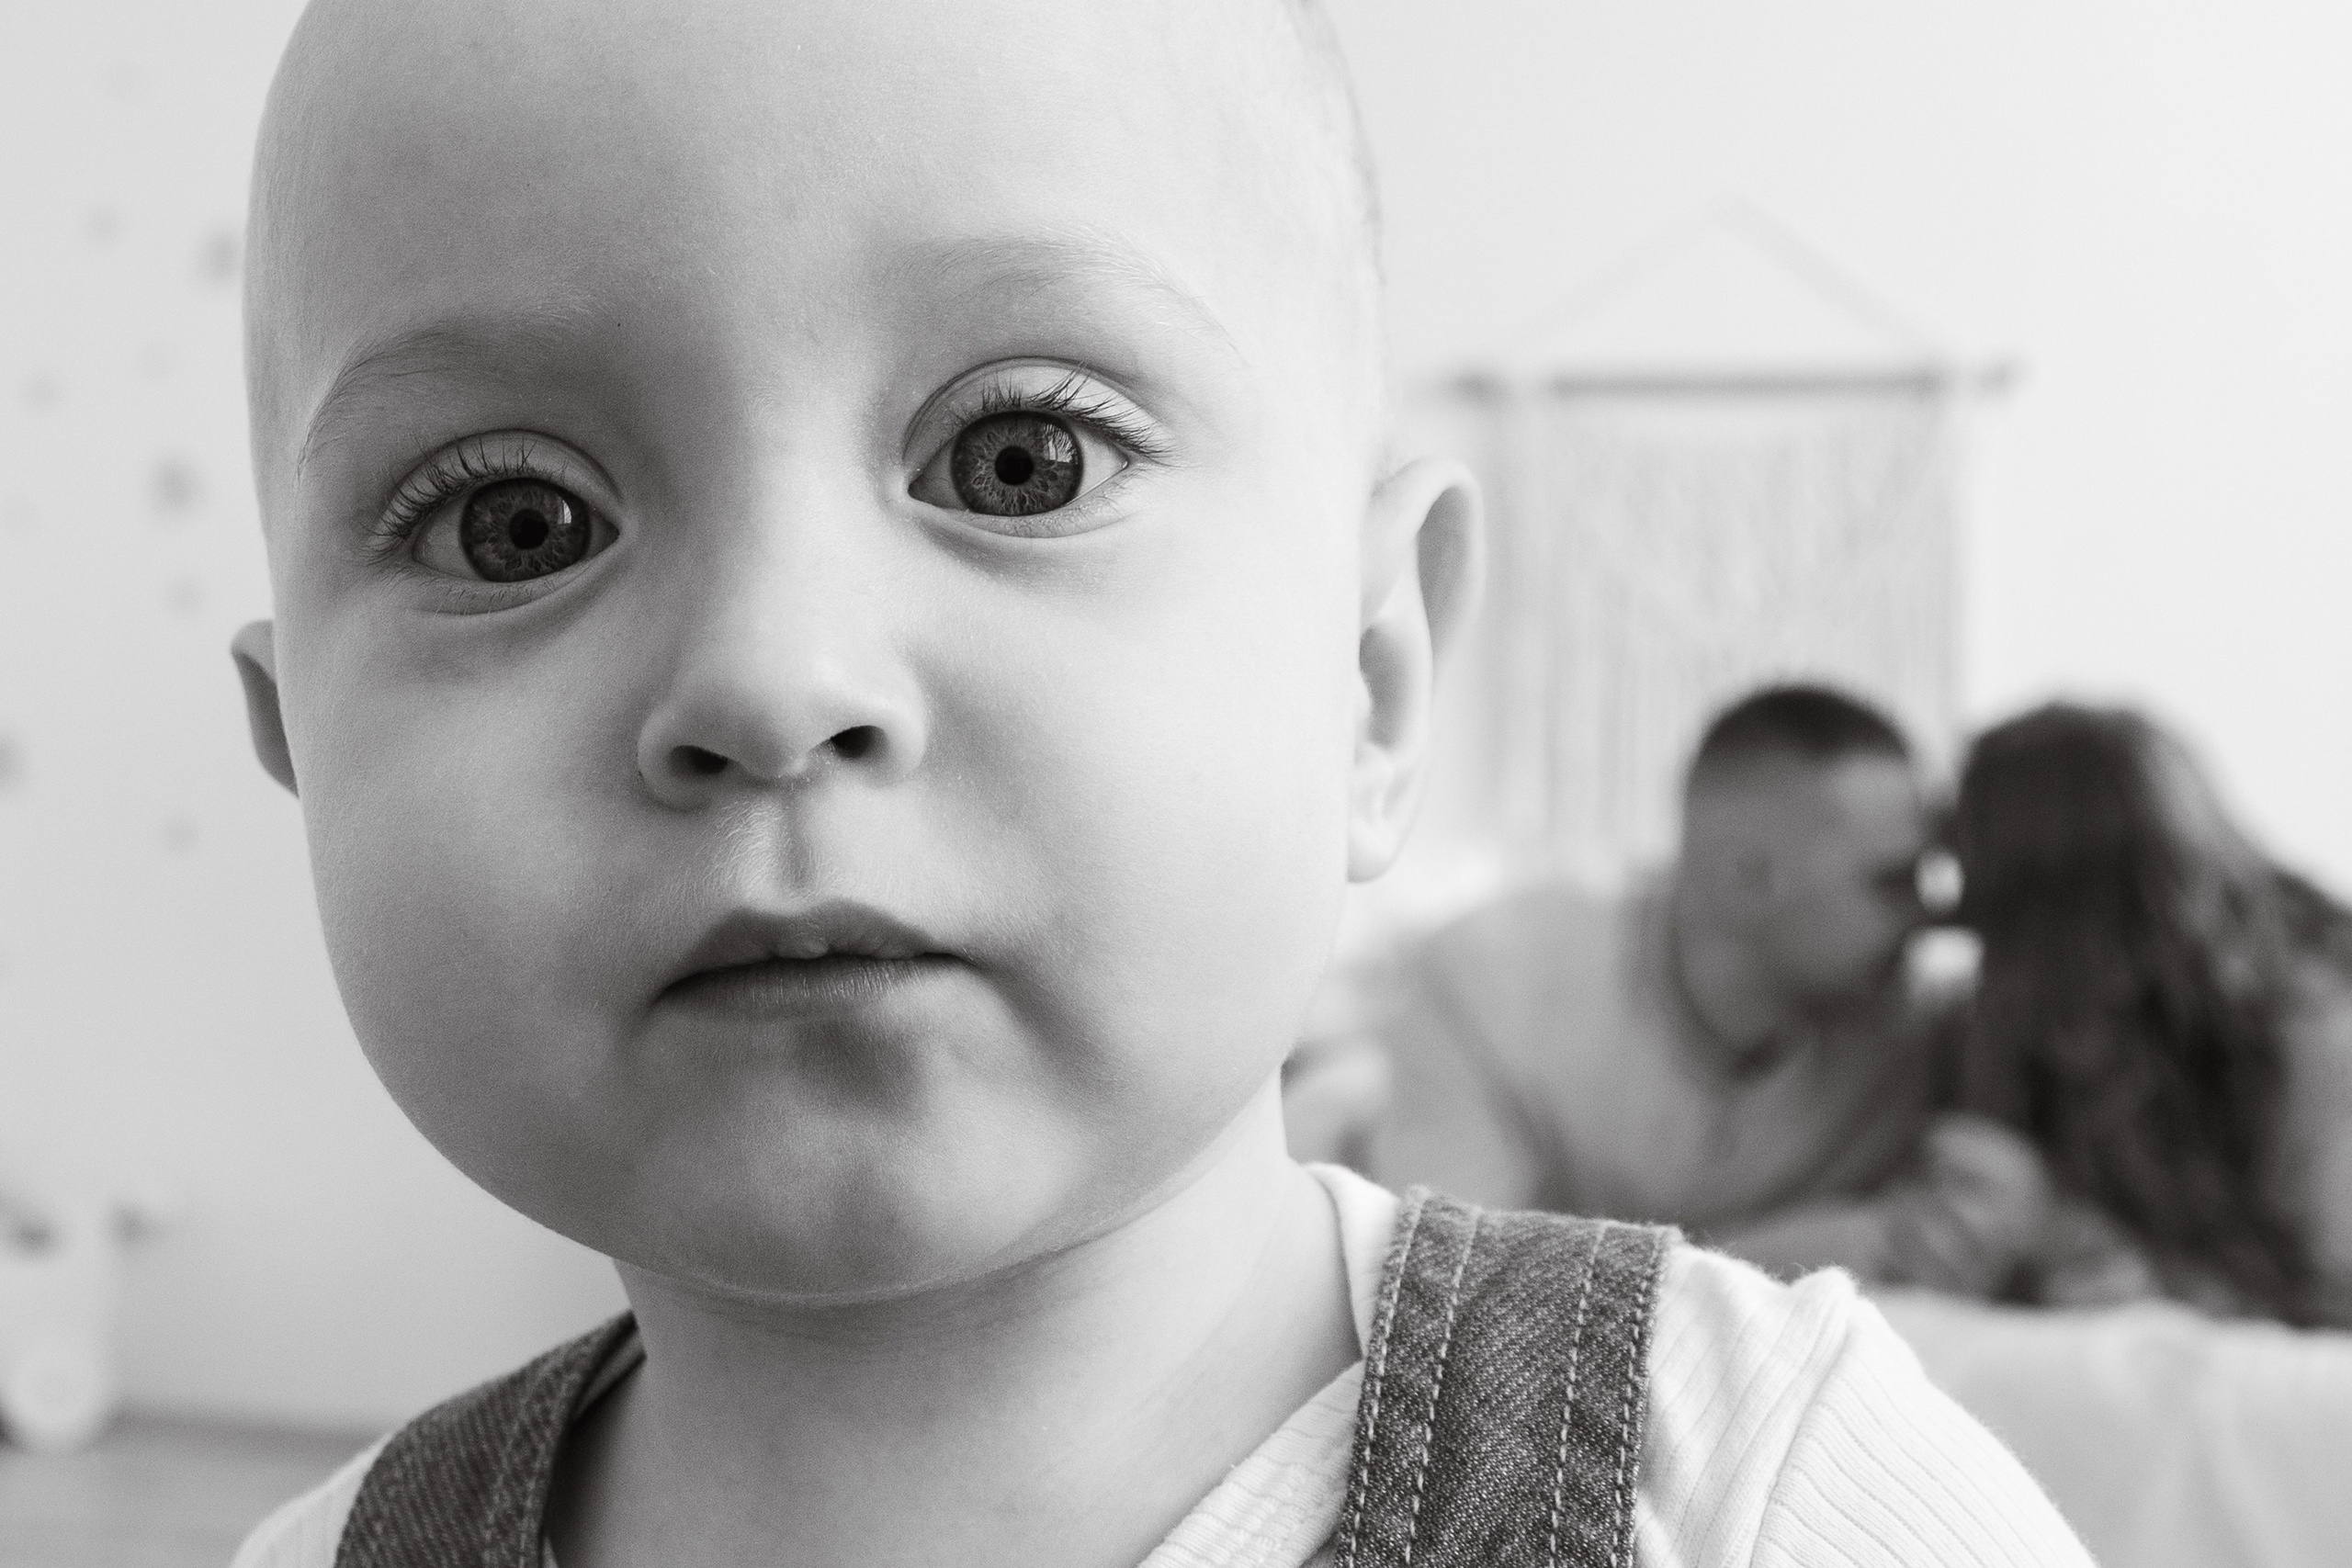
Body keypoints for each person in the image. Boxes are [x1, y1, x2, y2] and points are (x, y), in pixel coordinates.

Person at [225, 4, 2090, 1565]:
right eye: (512, 520)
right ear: (292, 742)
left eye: (1018, 458)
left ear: (1365, 682)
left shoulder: (1761, 1494)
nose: (770, 678)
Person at [1357, 683, 2052, 1294]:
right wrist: (1780, 1259)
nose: (1933, 917)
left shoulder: (1924, 1028)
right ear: (1747, 878)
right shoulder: (1485, 982)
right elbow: (1454, 1302)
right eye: (1891, 881)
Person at [1953, 703, 2352, 1326]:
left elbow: (2331, 1316)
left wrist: (2167, 1284)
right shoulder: (2029, 1018)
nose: (1958, 914)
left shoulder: (2314, 1029)